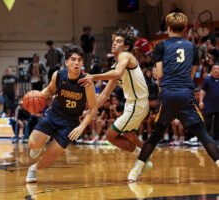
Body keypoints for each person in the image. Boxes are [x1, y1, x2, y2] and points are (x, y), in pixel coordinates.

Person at [128, 12, 219, 182]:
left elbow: (160, 74)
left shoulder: (161, 46)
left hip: (168, 93)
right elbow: (192, 74)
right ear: (185, 29)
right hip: (185, 93)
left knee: (156, 135)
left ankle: (135, 171)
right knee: (203, 134)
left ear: (168, 28)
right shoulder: (192, 47)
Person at [78, 29, 153, 176]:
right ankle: (144, 156)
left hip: (138, 103)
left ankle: (141, 163)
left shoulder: (126, 56)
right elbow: (104, 95)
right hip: (131, 105)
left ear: (126, 47)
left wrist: (94, 77)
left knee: (110, 135)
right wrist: (90, 110)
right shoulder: (116, 66)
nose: (114, 43)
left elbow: (118, 74)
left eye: (119, 41)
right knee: (130, 134)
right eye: (114, 41)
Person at [26, 46, 98, 183]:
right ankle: (39, 144)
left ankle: (33, 169)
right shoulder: (58, 75)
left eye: (79, 60)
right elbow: (49, 90)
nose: (76, 63)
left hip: (70, 124)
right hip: (54, 115)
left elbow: (94, 109)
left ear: (82, 63)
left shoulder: (87, 83)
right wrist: (36, 99)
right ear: (67, 62)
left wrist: (81, 127)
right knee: (33, 144)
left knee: (48, 159)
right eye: (73, 60)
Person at [200, 64, 219, 140]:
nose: (216, 70)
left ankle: (217, 141)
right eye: (214, 69)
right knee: (206, 124)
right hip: (208, 105)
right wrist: (201, 101)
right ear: (211, 70)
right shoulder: (207, 80)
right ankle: (205, 140)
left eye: (217, 69)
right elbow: (202, 91)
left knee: (218, 125)